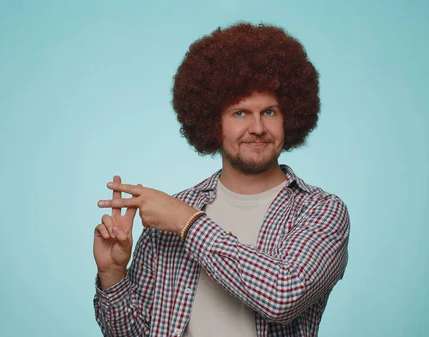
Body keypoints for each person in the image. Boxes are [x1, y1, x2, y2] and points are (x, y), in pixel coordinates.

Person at [92, 22, 350, 337]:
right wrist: (113, 274)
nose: (257, 127)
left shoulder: (321, 212)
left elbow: (284, 296)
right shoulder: (171, 213)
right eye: (240, 113)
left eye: (269, 112)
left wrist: (187, 223)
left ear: (291, 117)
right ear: (214, 122)